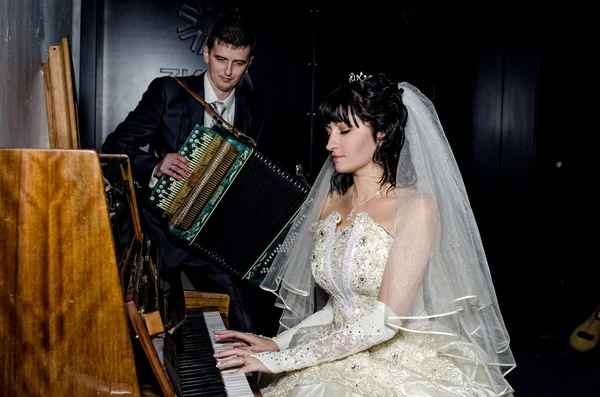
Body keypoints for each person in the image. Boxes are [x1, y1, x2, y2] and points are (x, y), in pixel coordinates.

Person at [211, 72, 517, 396]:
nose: (330, 143)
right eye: (328, 131)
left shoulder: (416, 209)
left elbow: (383, 322)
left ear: (381, 134)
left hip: (392, 361)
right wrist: (276, 343)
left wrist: (283, 360)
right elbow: (337, 308)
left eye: (344, 130)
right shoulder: (330, 201)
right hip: (337, 347)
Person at [101, 12, 277, 334]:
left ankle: (238, 380)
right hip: (160, 234)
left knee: (245, 320)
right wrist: (155, 165)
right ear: (206, 53)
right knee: (149, 330)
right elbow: (115, 145)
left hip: (214, 241)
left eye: (238, 63)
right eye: (221, 59)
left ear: (249, 63)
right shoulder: (169, 92)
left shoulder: (254, 107)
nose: (227, 71)